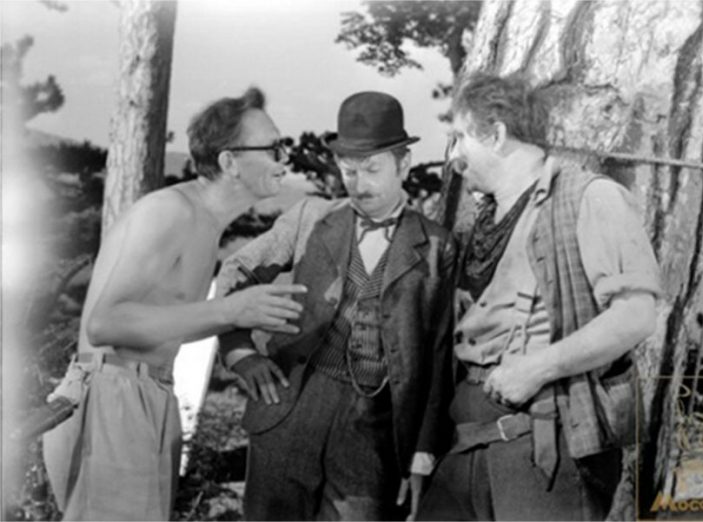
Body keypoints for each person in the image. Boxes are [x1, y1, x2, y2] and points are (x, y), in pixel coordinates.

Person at [42, 87, 307, 521]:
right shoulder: (170, 211)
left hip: (147, 393)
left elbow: (165, 324)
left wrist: (240, 323)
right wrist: (228, 311)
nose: (284, 160)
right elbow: (105, 325)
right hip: (113, 394)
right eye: (273, 148)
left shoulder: (205, 222)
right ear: (229, 162)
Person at [416, 73, 661, 521]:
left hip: (546, 448)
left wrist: (537, 368)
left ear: (496, 135)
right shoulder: (482, 221)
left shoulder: (591, 197)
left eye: (460, 138)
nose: (452, 156)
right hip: (465, 444)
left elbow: (637, 314)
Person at [215, 91, 456, 521]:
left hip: (375, 433)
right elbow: (237, 271)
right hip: (290, 410)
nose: (359, 184)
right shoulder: (310, 217)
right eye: (349, 170)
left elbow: (439, 356)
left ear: (403, 164)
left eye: (372, 169)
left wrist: (423, 449)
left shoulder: (437, 246)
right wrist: (240, 353)